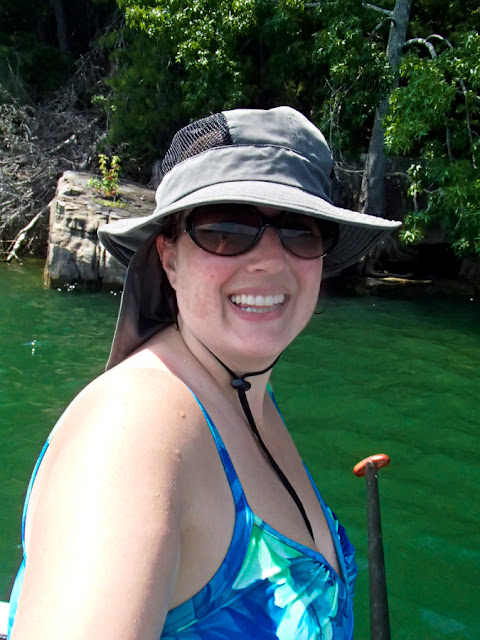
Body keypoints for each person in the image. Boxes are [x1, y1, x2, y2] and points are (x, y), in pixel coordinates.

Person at [8, 106, 400, 639]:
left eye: (300, 230)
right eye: (226, 230)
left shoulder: (248, 392)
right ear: (169, 259)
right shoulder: (135, 431)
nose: (270, 260)